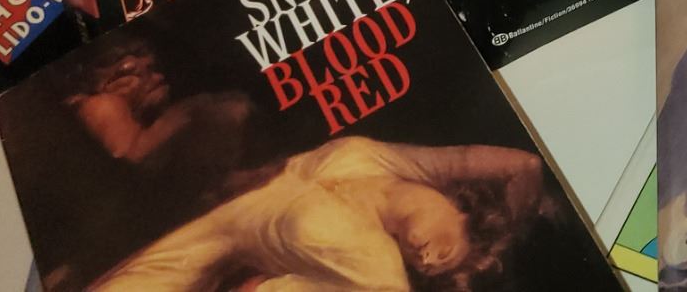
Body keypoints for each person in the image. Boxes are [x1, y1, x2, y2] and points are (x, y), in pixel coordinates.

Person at [92, 135, 547, 291]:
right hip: (190, 230)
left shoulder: (376, 268)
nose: (426, 258)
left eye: (428, 267)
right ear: (460, 211)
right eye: (445, 253)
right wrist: (516, 222)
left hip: (204, 254)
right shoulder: (391, 162)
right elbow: (526, 165)